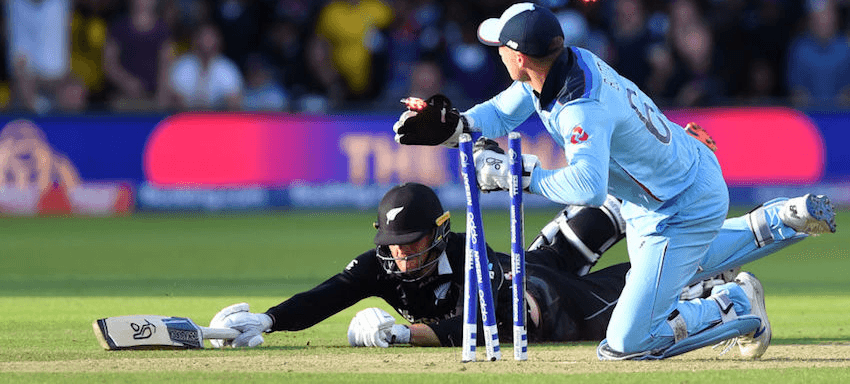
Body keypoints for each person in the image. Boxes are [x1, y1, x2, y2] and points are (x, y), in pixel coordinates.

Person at [391, 2, 837, 360]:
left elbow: (587, 187)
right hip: (658, 196)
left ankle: (733, 307)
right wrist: (457, 128)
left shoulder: (579, 107)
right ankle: (779, 219)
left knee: (625, 344)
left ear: (520, 58)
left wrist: (520, 176)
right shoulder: (563, 64)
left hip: (680, 204)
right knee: (685, 269)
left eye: (501, 48)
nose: (498, 54)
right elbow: (502, 111)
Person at [208, 182, 833, 354]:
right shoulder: (387, 264)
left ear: (440, 235)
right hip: (537, 261)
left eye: (412, 243)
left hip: (556, 305)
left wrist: (405, 334)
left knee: (663, 268)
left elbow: (492, 322)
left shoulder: (469, 260)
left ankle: (741, 277)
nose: (400, 255)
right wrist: (268, 320)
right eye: (393, 244)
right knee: (593, 216)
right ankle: (629, 198)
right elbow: (331, 293)